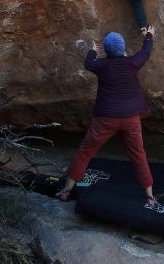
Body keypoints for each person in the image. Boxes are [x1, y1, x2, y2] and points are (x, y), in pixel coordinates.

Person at [56, 27, 156, 204]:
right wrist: (149, 34)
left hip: (105, 119)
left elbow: (88, 63)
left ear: (106, 50)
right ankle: (149, 196)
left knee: (86, 152)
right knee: (139, 155)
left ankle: (66, 191)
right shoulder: (132, 63)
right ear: (123, 48)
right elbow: (146, 51)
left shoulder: (101, 65)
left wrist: (93, 51)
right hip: (130, 118)